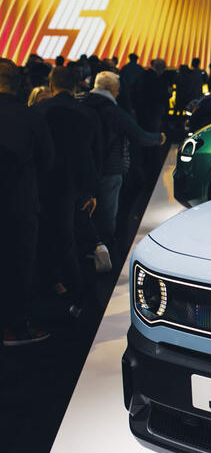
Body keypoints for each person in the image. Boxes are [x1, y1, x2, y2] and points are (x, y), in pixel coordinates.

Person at [32, 66, 107, 317]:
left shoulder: (37, 112)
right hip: (78, 189)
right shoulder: (88, 114)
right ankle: (81, 297)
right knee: (74, 241)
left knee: (48, 239)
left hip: (44, 188)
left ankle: (58, 287)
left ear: (51, 86)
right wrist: (93, 191)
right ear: (76, 86)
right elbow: (95, 156)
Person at [0, 58, 55, 345]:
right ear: (20, 82)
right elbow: (48, 162)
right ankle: (16, 328)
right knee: (19, 267)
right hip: (19, 206)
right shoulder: (29, 115)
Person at [82, 71, 165, 249]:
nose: (118, 93)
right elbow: (138, 135)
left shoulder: (83, 104)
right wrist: (159, 138)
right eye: (117, 89)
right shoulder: (112, 110)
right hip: (111, 168)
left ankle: (89, 247)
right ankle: (105, 250)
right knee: (107, 213)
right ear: (111, 89)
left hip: (86, 167)